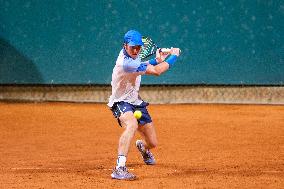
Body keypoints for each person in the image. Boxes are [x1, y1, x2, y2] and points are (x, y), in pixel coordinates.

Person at [108, 30, 181, 180]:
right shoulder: (125, 63)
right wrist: (174, 56)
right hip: (120, 101)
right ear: (125, 46)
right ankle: (119, 167)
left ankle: (143, 148)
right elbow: (155, 72)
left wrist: (157, 59)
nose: (136, 50)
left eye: (138, 47)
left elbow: (143, 65)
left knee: (153, 143)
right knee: (131, 125)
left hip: (136, 101)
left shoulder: (133, 56)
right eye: (132, 47)